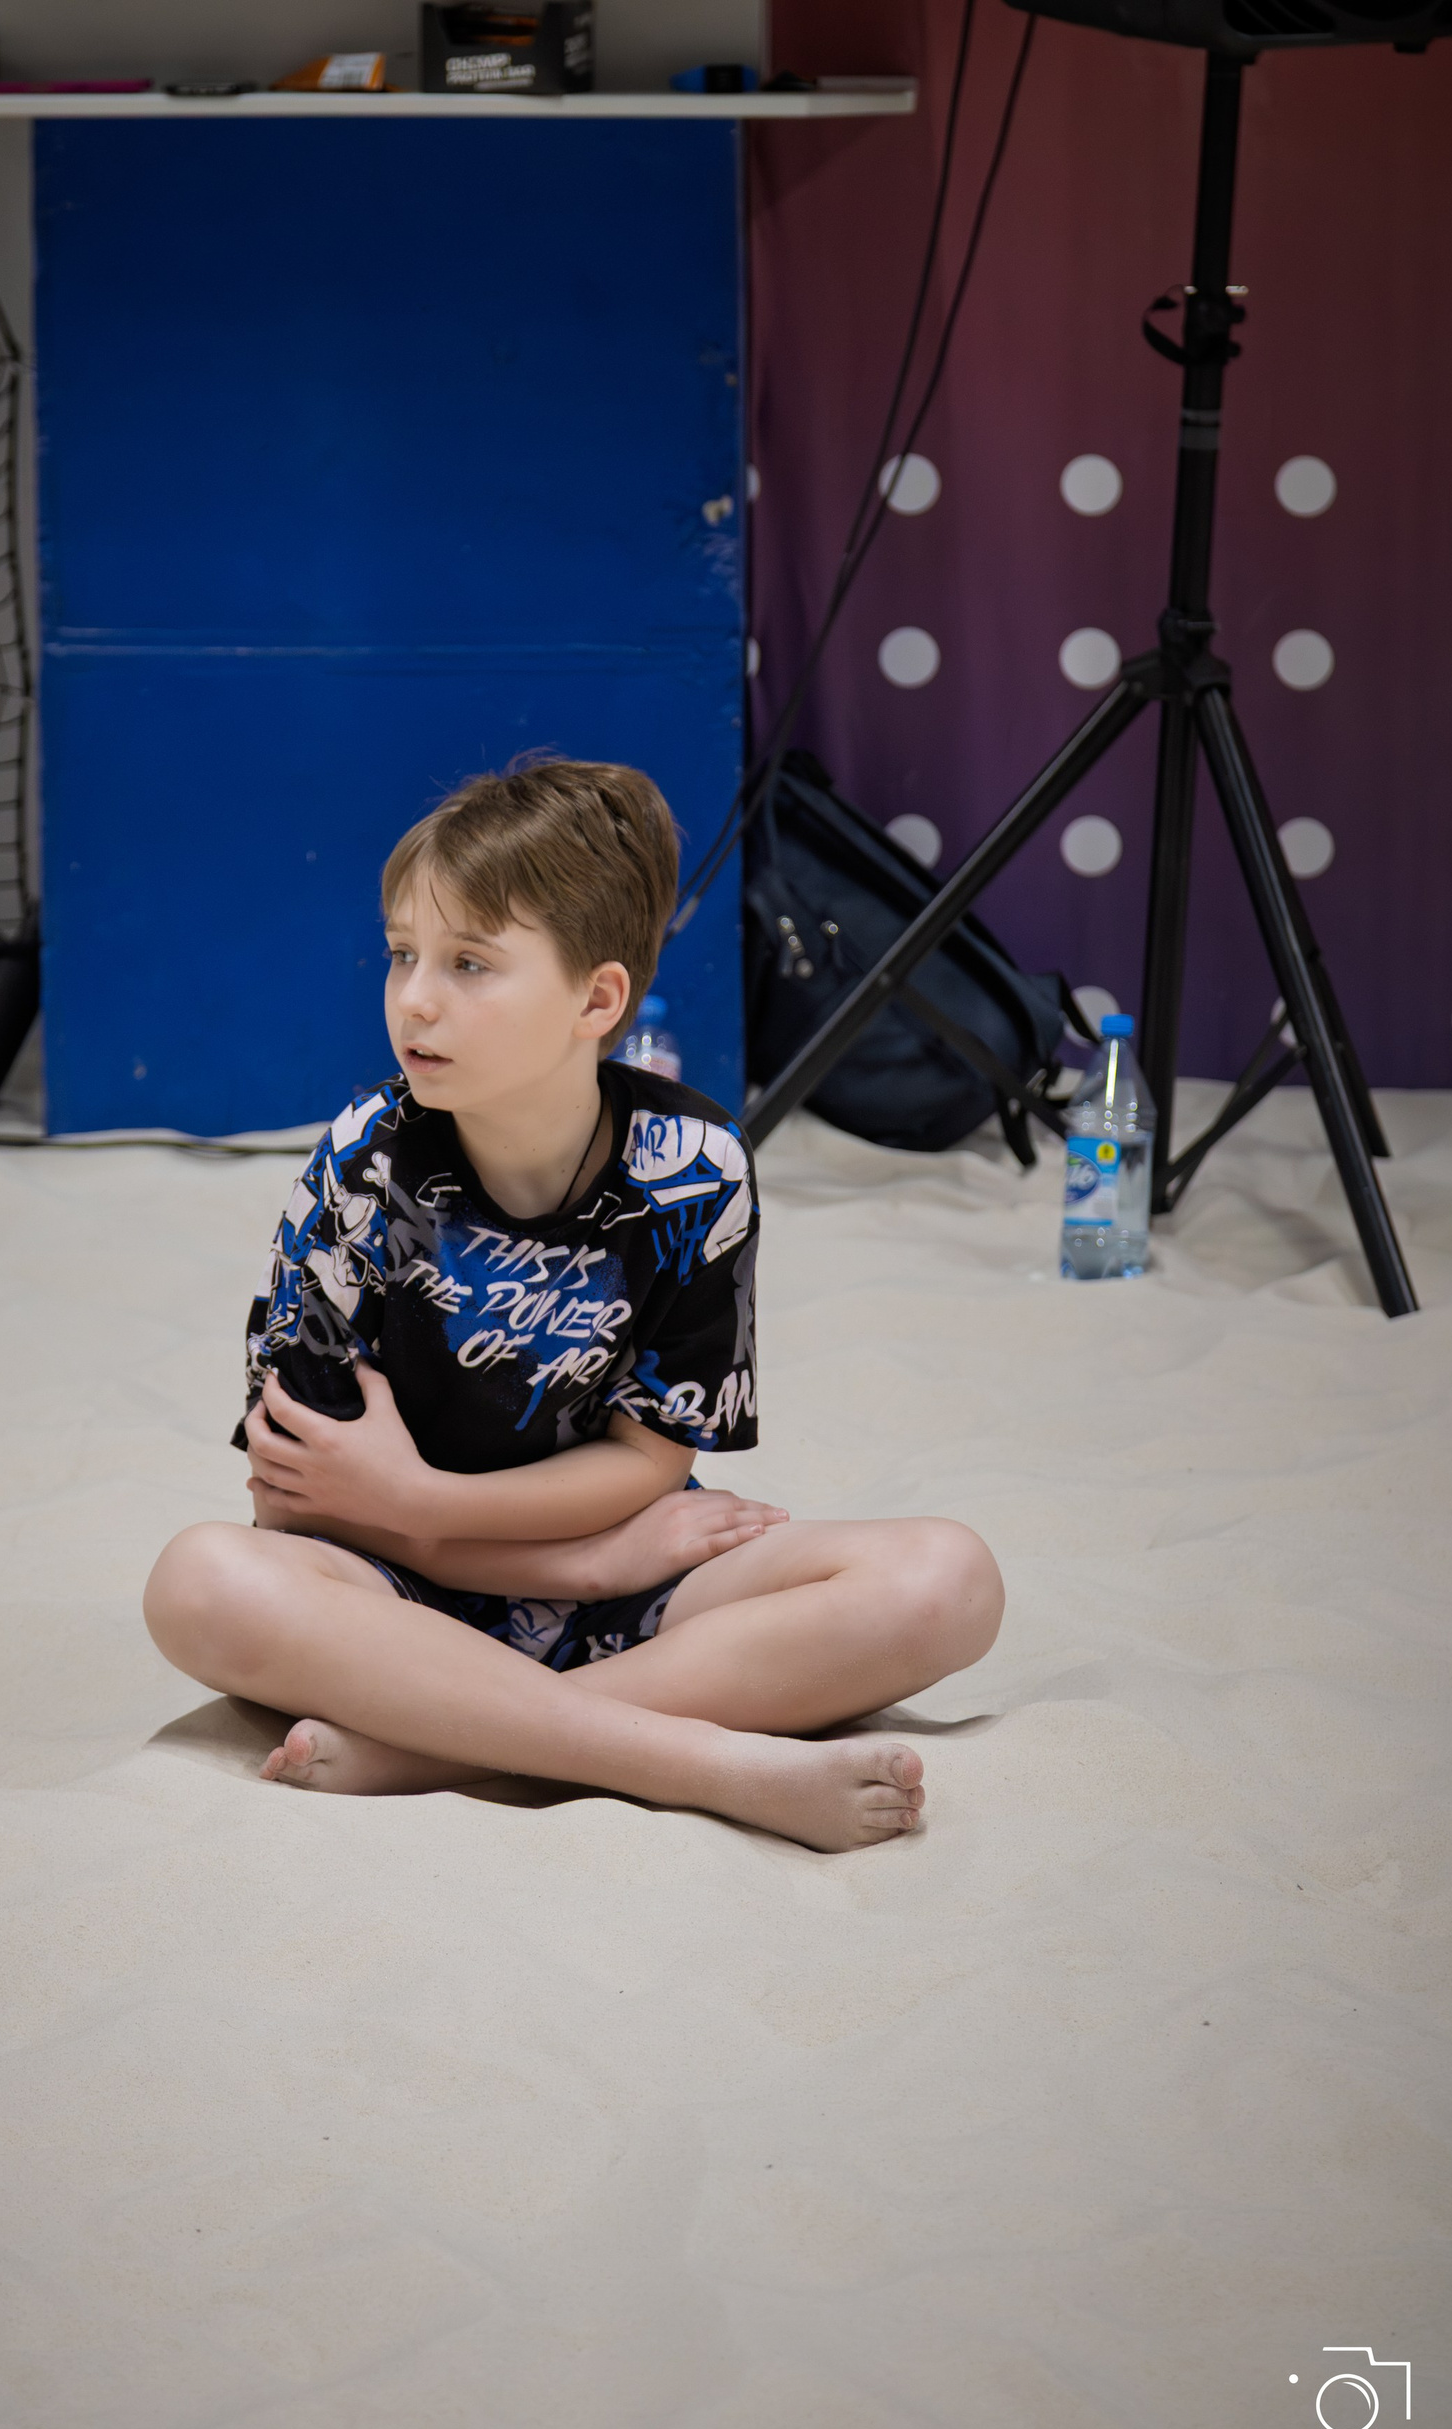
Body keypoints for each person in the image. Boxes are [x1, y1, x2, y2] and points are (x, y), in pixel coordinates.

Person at [144, 759, 1002, 1853]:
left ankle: (447, 1748)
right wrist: (563, 1563)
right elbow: (297, 1502)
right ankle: (702, 1764)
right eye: (403, 954)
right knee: (200, 1581)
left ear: (596, 1001)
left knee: (948, 1580)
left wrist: (445, 1506)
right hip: (394, 1598)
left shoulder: (693, 1171)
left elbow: (648, 1457)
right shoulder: (366, 1165)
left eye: (469, 963)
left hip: (629, 1577)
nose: (415, 998)